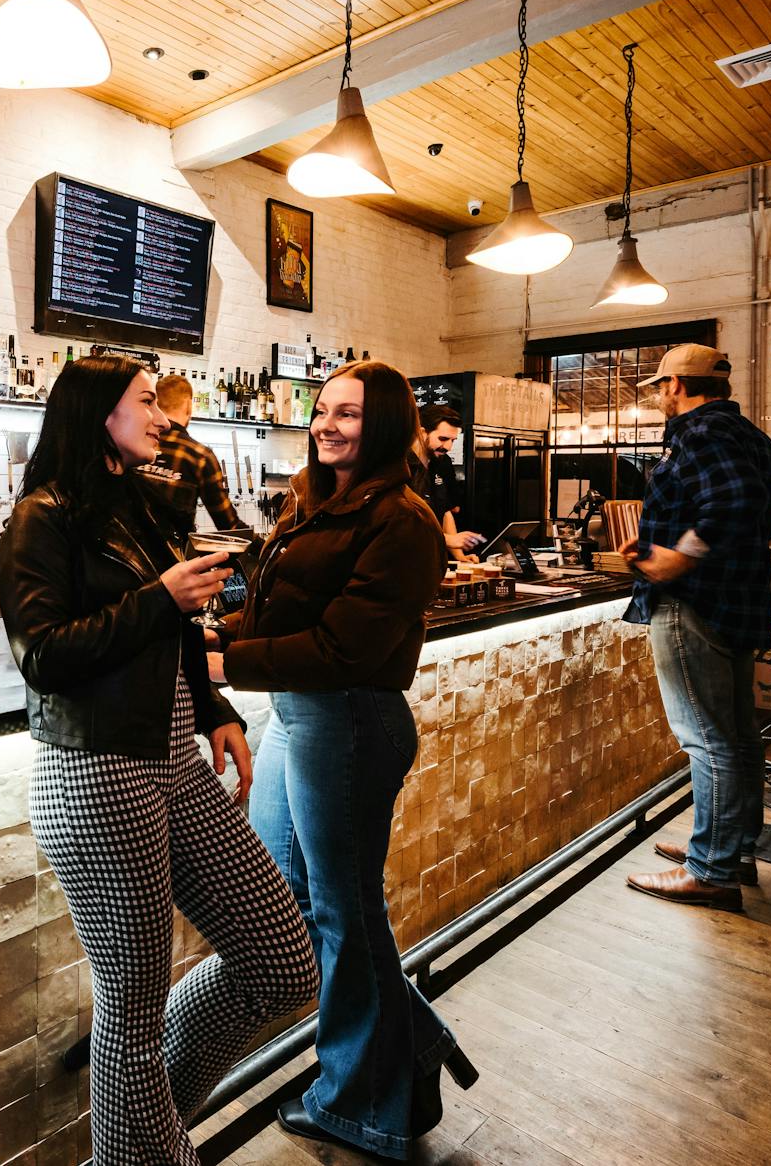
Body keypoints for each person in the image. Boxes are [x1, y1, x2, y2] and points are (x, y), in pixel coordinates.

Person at [0, 355, 318, 1166]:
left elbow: (176, 634)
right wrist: (158, 599)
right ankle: (152, 1149)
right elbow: (41, 655)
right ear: (98, 414)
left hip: (176, 761)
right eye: (146, 402)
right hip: (100, 774)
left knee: (283, 958)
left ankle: (141, 1139)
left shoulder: (140, 504)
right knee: (131, 1016)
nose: (165, 417)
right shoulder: (42, 516)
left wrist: (213, 709)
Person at [206, 360, 476, 1159]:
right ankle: (408, 1041)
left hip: (349, 720)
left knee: (344, 909)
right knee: (284, 894)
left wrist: (227, 666)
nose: (327, 425)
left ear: (385, 424)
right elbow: (275, 599)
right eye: (322, 411)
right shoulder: (313, 498)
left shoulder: (403, 519)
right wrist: (220, 628)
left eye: (348, 415)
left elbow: (341, 646)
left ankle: (356, 1101)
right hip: (298, 715)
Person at [619, 344, 771, 912]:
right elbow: (751, 510)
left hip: (695, 604)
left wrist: (678, 558)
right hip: (736, 602)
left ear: (677, 386)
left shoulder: (698, 432)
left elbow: (733, 504)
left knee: (707, 740)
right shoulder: (750, 437)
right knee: (736, 736)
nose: (661, 398)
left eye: (661, 388)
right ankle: (731, 851)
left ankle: (710, 869)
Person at [141, 372, 249, 540]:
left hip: (128, 557)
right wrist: (269, 548)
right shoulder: (200, 456)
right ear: (188, 405)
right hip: (174, 558)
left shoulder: (138, 445)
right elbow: (229, 526)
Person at [410, 403, 483, 560]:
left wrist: (460, 556)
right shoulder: (401, 466)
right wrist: (449, 540)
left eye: (452, 440)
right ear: (422, 433)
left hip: (433, 558)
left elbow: (445, 512)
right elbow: (401, 525)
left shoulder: (443, 462)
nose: (448, 447)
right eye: (443, 439)